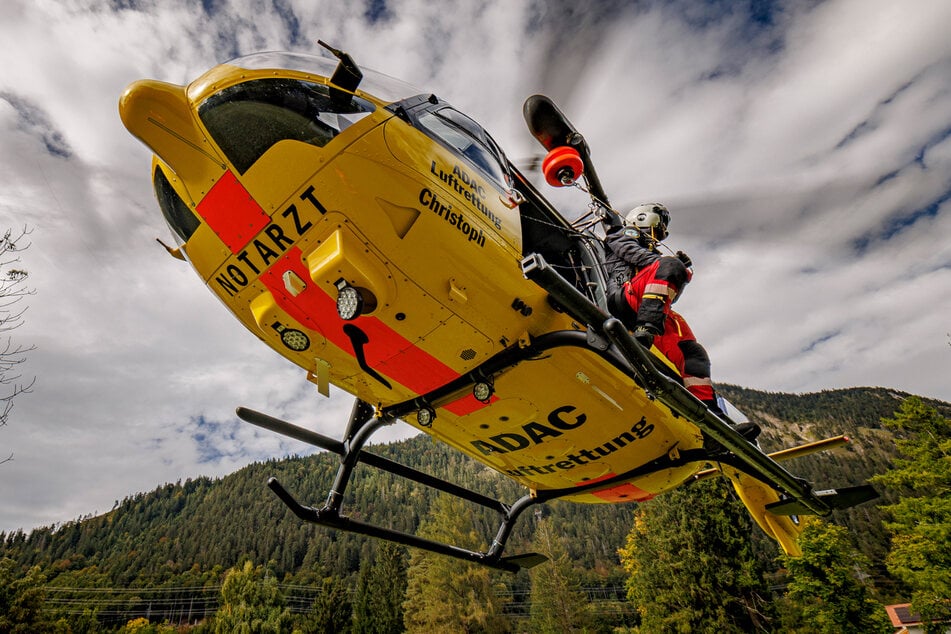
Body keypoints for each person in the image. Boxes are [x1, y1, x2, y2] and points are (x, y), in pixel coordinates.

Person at [602, 203, 722, 416]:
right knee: (670, 266)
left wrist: (680, 274)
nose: (660, 235)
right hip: (624, 298)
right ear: (643, 220)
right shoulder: (621, 235)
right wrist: (672, 265)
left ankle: (710, 412)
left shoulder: (655, 259)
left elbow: (667, 295)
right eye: (658, 229)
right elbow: (632, 254)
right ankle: (645, 331)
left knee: (693, 352)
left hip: (647, 308)